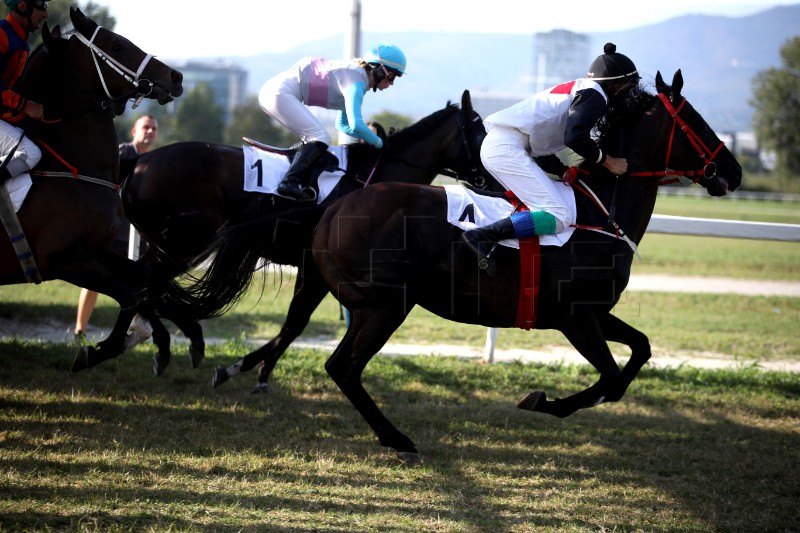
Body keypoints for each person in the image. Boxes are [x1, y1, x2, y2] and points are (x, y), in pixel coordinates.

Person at [461, 43, 640, 275]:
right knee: (560, 215)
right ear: (616, 85)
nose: (628, 94)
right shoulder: (596, 95)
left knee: (545, 207)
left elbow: (540, 146)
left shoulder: (584, 90)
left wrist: (563, 170)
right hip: (506, 148)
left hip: (506, 146)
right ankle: (481, 236)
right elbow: (575, 136)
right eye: (627, 87)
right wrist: (608, 161)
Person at [258, 42, 406, 202]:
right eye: (391, 76)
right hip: (279, 93)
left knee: (318, 139)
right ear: (377, 69)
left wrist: (374, 142)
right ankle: (289, 182)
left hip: (277, 92)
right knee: (321, 137)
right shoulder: (356, 83)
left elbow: (343, 126)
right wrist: (380, 144)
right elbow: (356, 125)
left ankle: (295, 174)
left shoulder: (356, 78)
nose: (391, 83)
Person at [74, 115, 158, 337]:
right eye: (145, 127)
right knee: (93, 281)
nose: (150, 131)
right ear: (134, 131)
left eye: (154, 129)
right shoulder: (120, 153)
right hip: (111, 232)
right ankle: (80, 330)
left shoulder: (157, 161)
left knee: (140, 287)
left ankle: (130, 332)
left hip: (139, 235)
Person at [0, 0, 49, 187]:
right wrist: (26, 106)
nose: (46, 14)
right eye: (41, 6)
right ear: (22, 6)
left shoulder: (23, 42)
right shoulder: (2, 34)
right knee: (31, 153)